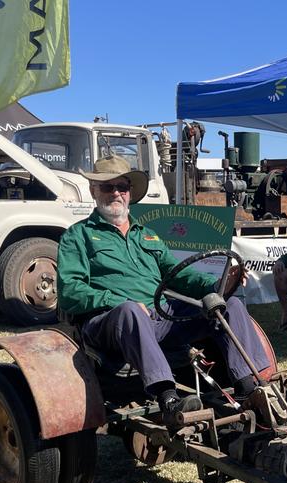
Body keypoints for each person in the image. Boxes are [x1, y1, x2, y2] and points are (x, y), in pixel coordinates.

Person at [56, 156, 270, 425]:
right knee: (130, 310)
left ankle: (250, 387)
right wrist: (119, 300)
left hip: (158, 317)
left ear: (129, 192)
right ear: (93, 191)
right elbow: (70, 292)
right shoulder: (77, 236)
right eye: (107, 187)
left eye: (121, 187)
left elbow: (178, 275)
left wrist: (220, 285)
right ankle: (168, 398)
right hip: (108, 324)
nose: (116, 193)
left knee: (226, 305)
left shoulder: (146, 235)